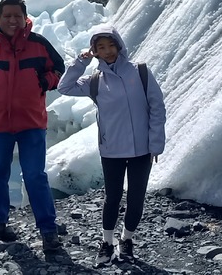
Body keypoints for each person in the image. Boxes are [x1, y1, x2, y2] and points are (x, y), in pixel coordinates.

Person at [57, 24, 166, 266]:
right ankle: (106, 243)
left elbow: (157, 107)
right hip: (112, 149)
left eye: (111, 45)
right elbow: (63, 87)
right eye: (100, 47)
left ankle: (126, 240)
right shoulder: (95, 80)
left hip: (142, 149)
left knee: (136, 197)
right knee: (112, 197)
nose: (107, 51)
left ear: (119, 45)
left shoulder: (141, 72)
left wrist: (156, 143)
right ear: (94, 51)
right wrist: (80, 63)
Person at [0, 0, 65, 252]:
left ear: (24, 18)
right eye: (7, 16)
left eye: (17, 16)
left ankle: (48, 231)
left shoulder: (39, 45)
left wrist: (43, 82)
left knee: (35, 176)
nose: (12, 20)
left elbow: (59, 71)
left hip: (32, 123)